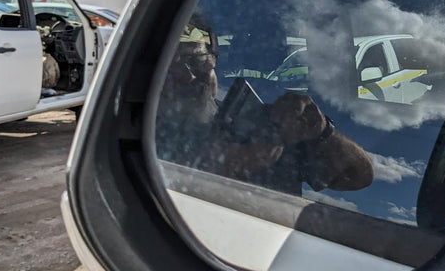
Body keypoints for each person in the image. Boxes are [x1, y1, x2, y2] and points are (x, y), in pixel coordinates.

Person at [156, 16, 374, 195]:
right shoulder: (147, 133)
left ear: (214, 65)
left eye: (197, 61)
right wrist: (227, 165)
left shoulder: (273, 124)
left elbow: (358, 177)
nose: (186, 75)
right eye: (168, 67)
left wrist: (322, 131)